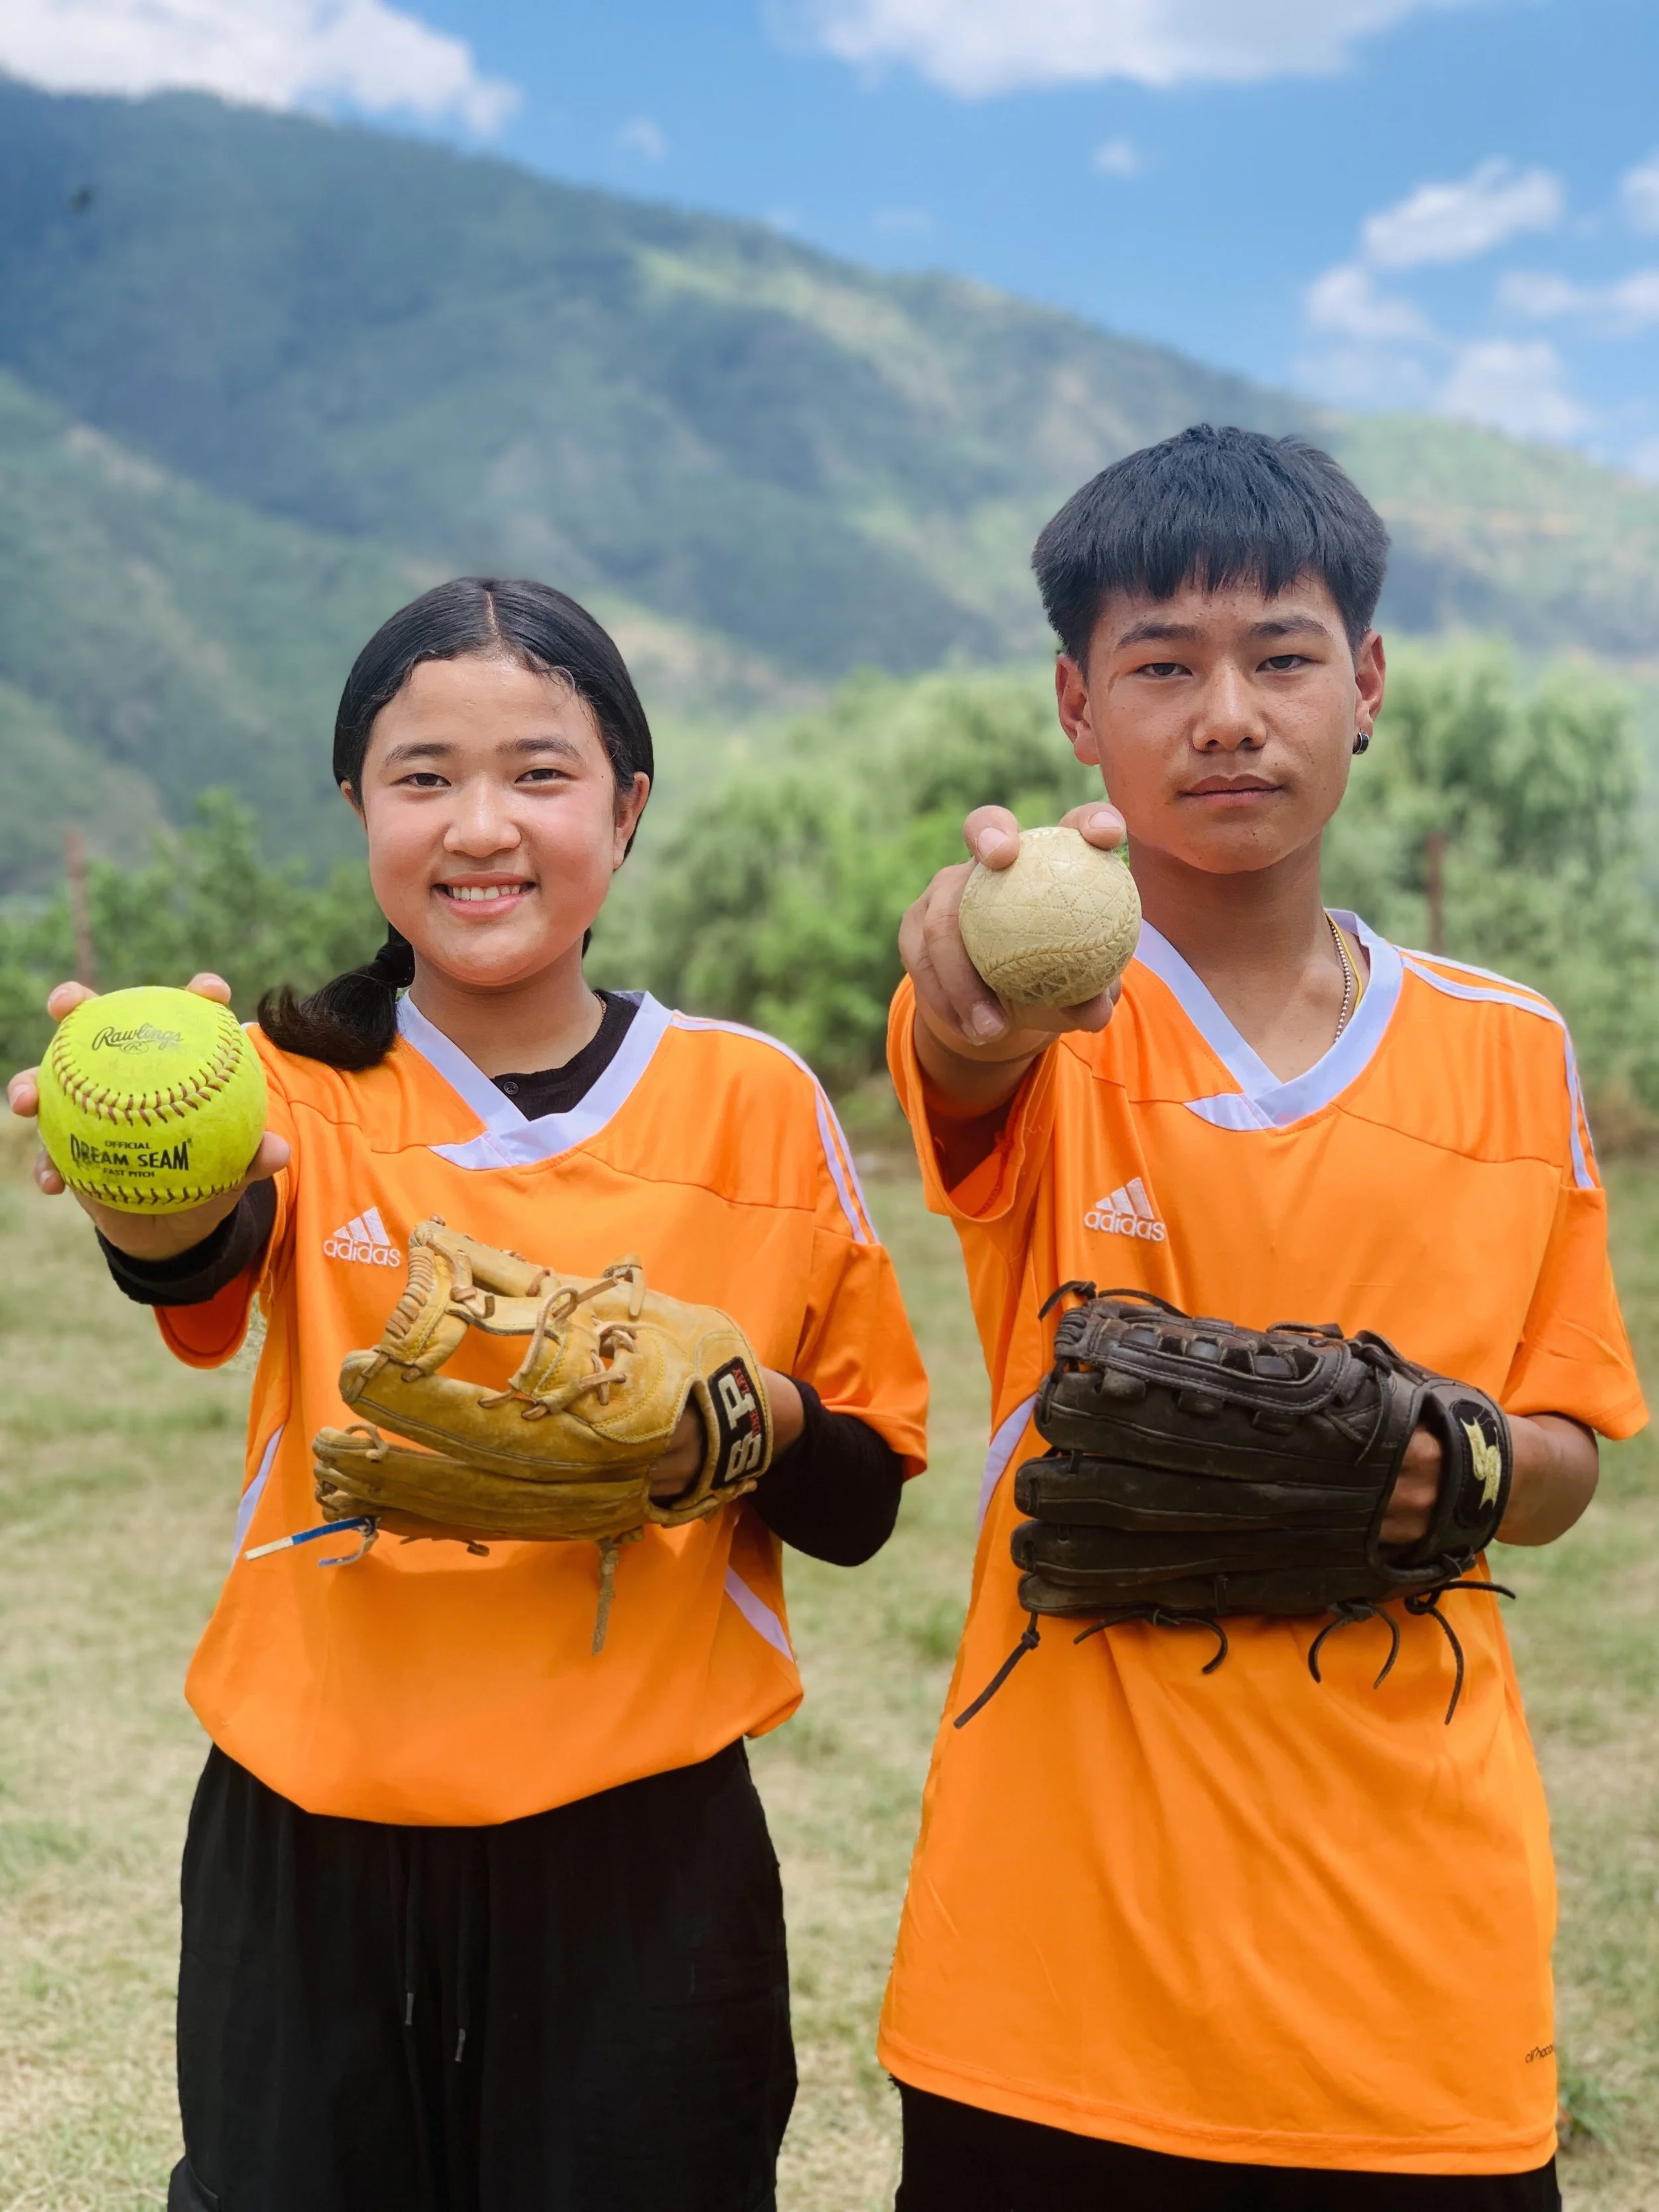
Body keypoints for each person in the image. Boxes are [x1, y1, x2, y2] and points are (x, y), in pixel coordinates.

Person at [7, 577, 929, 2212]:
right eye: (422, 776)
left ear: (625, 808)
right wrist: (148, 1200)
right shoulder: (281, 1084)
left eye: (538, 773)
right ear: (359, 807)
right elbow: (199, 1262)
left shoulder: (751, 1101)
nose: (480, 825)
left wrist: (736, 1421)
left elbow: (858, 1495)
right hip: (307, 1831)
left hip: (641, 1851)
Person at [881, 426, 1644, 2209]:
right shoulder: (1046, 1017)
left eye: (1279, 657)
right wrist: (973, 984)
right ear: (1076, 707)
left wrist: (1451, 1459)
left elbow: (1564, 1455)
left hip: (1415, 1985)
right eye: (1161, 666)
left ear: (1361, 684)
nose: (1225, 714)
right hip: (1053, 1981)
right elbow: (960, 1043)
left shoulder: (1505, 1048)